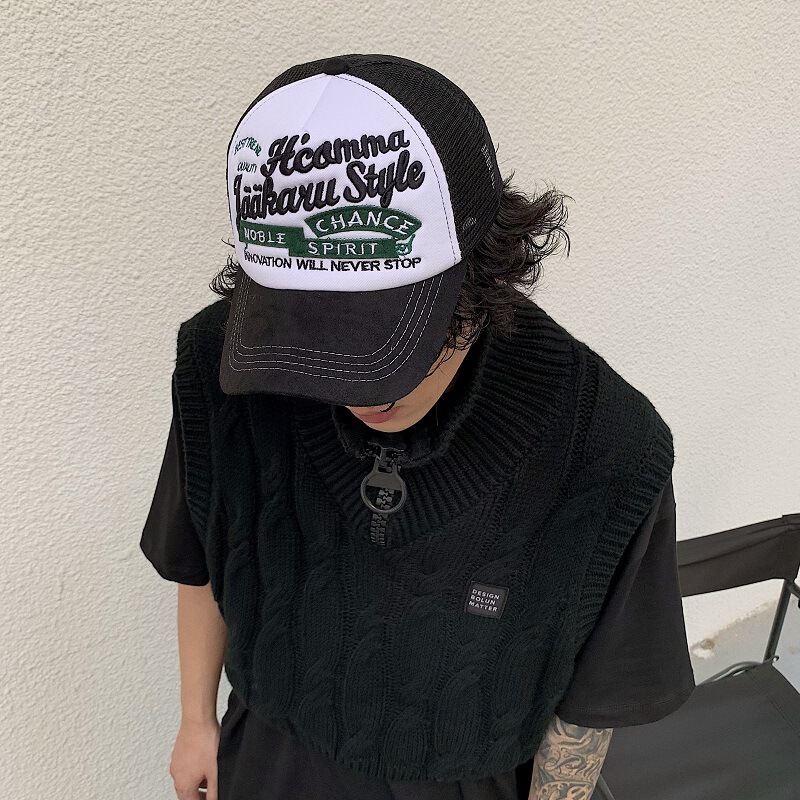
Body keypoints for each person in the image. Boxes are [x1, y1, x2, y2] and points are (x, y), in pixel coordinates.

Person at [140, 53, 696, 800]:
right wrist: (195, 721)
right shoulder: (222, 368)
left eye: (383, 339)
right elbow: (204, 554)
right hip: (267, 759)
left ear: (485, 265)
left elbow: (590, 706)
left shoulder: (608, 448)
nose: (353, 389)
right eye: (311, 339)